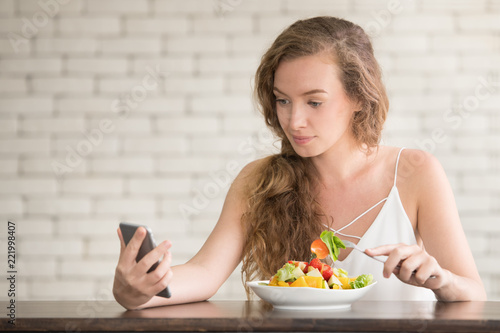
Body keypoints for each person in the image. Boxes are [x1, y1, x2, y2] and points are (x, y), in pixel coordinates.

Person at [113, 16, 486, 310]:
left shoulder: (415, 173)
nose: (294, 121)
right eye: (283, 100)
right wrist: (137, 289)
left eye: (314, 102)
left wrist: (440, 279)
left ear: (359, 97)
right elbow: (204, 273)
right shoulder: (259, 180)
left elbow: (473, 293)